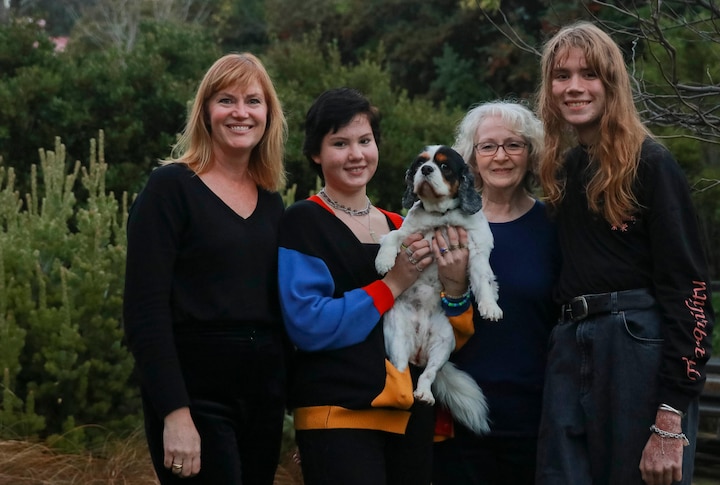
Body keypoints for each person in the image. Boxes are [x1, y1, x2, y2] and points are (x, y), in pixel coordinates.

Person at [533, 21, 715, 485]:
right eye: (562, 75)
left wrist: (671, 417)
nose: (574, 87)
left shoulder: (650, 164)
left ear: (611, 84)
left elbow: (690, 292)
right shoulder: (566, 170)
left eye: (589, 74)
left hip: (636, 349)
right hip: (568, 346)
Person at [276, 87, 474, 485]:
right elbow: (309, 325)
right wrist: (393, 282)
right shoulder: (303, 223)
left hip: (408, 419)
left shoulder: (400, 226)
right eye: (339, 143)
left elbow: (443, 332)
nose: (356, 154)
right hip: (339, 416)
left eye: (365, 141)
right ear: (316, 153)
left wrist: (456, 291)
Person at [123, 53, 289, 484]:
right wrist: (175, 414)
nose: (240, 112)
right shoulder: (170, 189)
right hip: (196, 400)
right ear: (206, 112)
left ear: (268, 114)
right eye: (226, 100)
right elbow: (144, 312)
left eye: (253, 101)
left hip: (263, 401)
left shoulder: (272, 202)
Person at [431, 100, 559, 485]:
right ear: (471, 158)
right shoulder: (444, 224)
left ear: (531, 154)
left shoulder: (556, 225)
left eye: (514, 145)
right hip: (458, 418)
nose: (500, 156)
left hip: (537, 419)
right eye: (488, 146)